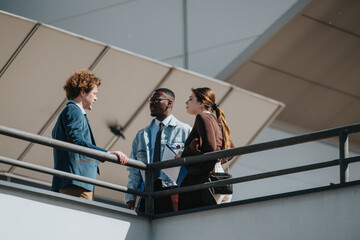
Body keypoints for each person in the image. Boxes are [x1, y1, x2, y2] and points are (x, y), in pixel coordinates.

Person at [52, 69, 127, 201]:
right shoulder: (73, 110)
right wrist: (106, 154)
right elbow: (76, 140)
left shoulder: (72, 111)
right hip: (76, 181)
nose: (96, 98)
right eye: (94, 93)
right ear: (82, 92)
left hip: (75, 180)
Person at [125, 88, 191, 214]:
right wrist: (130, 196)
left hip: (174, 190)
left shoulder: (185, 131)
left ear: (169, 103)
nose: (152, 103)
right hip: (148, 191)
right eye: (151, 100)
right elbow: (133, 169)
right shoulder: (141, 135)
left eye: (156, 100)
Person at [175, 87, 233, 210]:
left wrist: (184, 153)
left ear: (201, 104)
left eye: (191, 99)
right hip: (218, 178)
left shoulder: (202, 117)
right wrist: (217, 162)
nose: (186, 102)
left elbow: (210, 147)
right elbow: (231, 149)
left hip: (207, 182)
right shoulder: (216, 120)